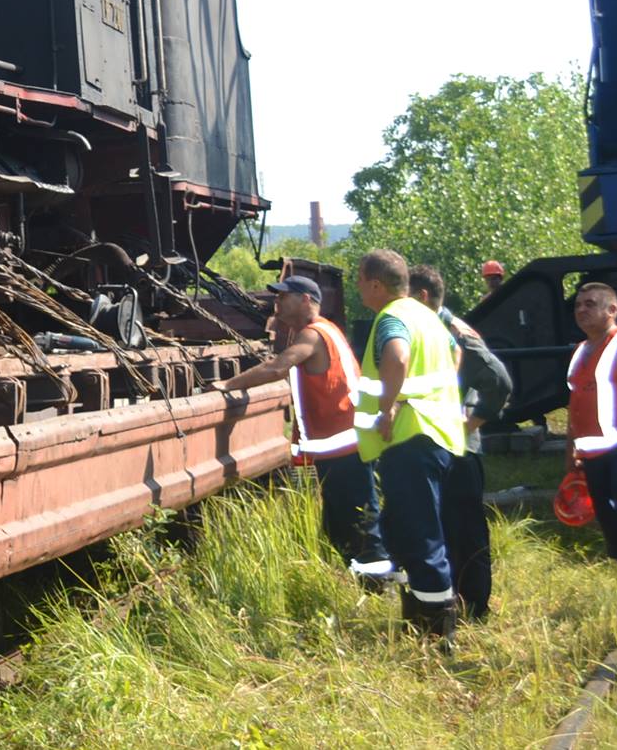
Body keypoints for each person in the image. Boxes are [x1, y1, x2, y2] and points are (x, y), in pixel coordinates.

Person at [218, 275, 392, 577]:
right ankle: (364, 580)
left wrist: (228, 384)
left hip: (343, 447)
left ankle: (379, 585)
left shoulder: (313, 335)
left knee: (360, 522)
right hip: (342, 446)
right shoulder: (328, 330)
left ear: (306, 300)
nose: (277, 303)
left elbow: (277, 367)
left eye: (284, 297)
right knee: (340, 523)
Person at [354, 248, 466, 641]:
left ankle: (437, 638)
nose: (356, 288)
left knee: (422, 540)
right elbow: (456, 355)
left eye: (359, 280)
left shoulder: (392, 317)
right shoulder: (428, 316)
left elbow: (397, 357)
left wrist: (388, 409)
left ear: (375, 284)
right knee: (406, 534)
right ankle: (419, 621)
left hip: (409, 440)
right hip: (438, 437)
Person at [410, 263, 512, 620]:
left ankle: (475, 609)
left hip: (459, 450)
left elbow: (499, 382)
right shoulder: (430, 327)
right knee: (445, 527)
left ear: (422, 296)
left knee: (465, 530)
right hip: (437, 446)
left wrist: (468, 425)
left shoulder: (453, 331)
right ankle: (453, 600)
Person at [568, 281, 617, 560]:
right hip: (592, 455)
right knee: (611, 527)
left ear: (612, 310)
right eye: (578, 305)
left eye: (590, 304)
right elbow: (574, 402)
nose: (581, 310)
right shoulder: (580, 351)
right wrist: (571, 452)